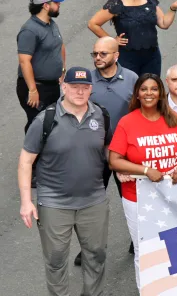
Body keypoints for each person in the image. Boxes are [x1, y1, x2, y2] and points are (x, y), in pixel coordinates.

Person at [18, 67, 110, 296]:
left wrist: (124, 168)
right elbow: (25, 162)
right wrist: (26, 202)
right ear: (64, 87)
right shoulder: (45, 120)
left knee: (96, 255)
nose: (80, 92)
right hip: (55, 204)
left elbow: (109, 151)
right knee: (56, 259)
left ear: (91, 89)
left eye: (85, 87)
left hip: (94, 200)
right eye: (75, 86)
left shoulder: (101, 116)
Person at [109, 73, 177, 288]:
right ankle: (148, 291)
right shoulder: (127, 122)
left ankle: (174, 289)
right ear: (137, 93)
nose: (149, 93)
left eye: (154, 89)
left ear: (160, 93)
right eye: (144, 89)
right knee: (145, 250)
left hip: (171, 196)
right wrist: (145, 170)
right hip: (138, 197)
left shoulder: (173, 118)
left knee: (175, 248)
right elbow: (114, 161)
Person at [88, 0, 177, 76]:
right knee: (130, 92)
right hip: (126, 57)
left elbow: (164, 23)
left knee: (151, 90)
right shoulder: (116, 3)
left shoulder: (150, 1)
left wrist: (173, 9)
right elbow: (93, 24)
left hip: (152, 57)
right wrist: (112, 41)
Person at [90, 36, 138, 195]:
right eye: (95, 54)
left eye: (103, 54)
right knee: (93, 198)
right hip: (95, 151)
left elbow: (139, 113)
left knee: (130, 196)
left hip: (125, 151)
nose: (97, 58)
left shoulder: (132, 79)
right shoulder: (87, 81)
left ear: (116, 55)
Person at [18, 0, 65, 133]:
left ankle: (48, 153)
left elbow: (60, 45)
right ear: (45, 5)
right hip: (37, 87)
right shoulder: (29, 30)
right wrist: (32, 90)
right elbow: (24, 61)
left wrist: (62, 70)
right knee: (37, 125)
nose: (59, 5)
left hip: (52, 85)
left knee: (52, 123)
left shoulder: (51, 24)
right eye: (56, 2)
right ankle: (33, 153)